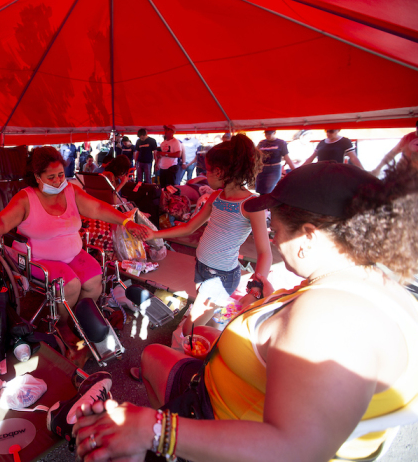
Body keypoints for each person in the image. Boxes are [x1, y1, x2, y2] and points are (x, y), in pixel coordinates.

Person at [73, 161, 418, 462]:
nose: (276, 241)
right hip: (236, 395)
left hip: (225, 419)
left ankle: (166, 443)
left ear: (310, 235)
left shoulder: (331, 315)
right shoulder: (373, 285)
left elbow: (297, 450)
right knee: (155, 356)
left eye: (278, 231)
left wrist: (154, 429)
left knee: (148, 370)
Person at [0, 147, 148, 365]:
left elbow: (96, 207)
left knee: (95, 280)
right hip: (39, 259)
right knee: (71, 285)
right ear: (37, 177)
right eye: (51, 177)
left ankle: (83, 320)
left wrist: (125, 221)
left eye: (60, 175)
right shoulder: (26, 198)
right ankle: (63, 324)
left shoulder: (71, 191)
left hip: (73, 253)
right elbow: (1, 221)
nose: (57, 181)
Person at [146, 134, 272, 334]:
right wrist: (154, 234)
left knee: (190, 328)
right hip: (202, 268)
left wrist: (258, 287)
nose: (204, 174)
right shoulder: (216, 196)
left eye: (207, 170)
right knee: (208, 319)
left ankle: (186, 354)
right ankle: (210, 349)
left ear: (220, 172)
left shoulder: (251, 205)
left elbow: (265, 252)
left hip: (221, 277)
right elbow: (189, 227)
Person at [256, 130, 296, 195]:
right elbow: (256, 155)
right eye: (266, 134)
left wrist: (294, 170)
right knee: (260, 190)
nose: (267, 136)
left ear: (274, 133)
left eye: (269, 134)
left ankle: (268, 204)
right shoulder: (261, 143)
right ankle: (262, 204)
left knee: (268, 190)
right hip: (261, 168)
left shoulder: (281, 143)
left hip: (274, 169)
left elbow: (286, 157)